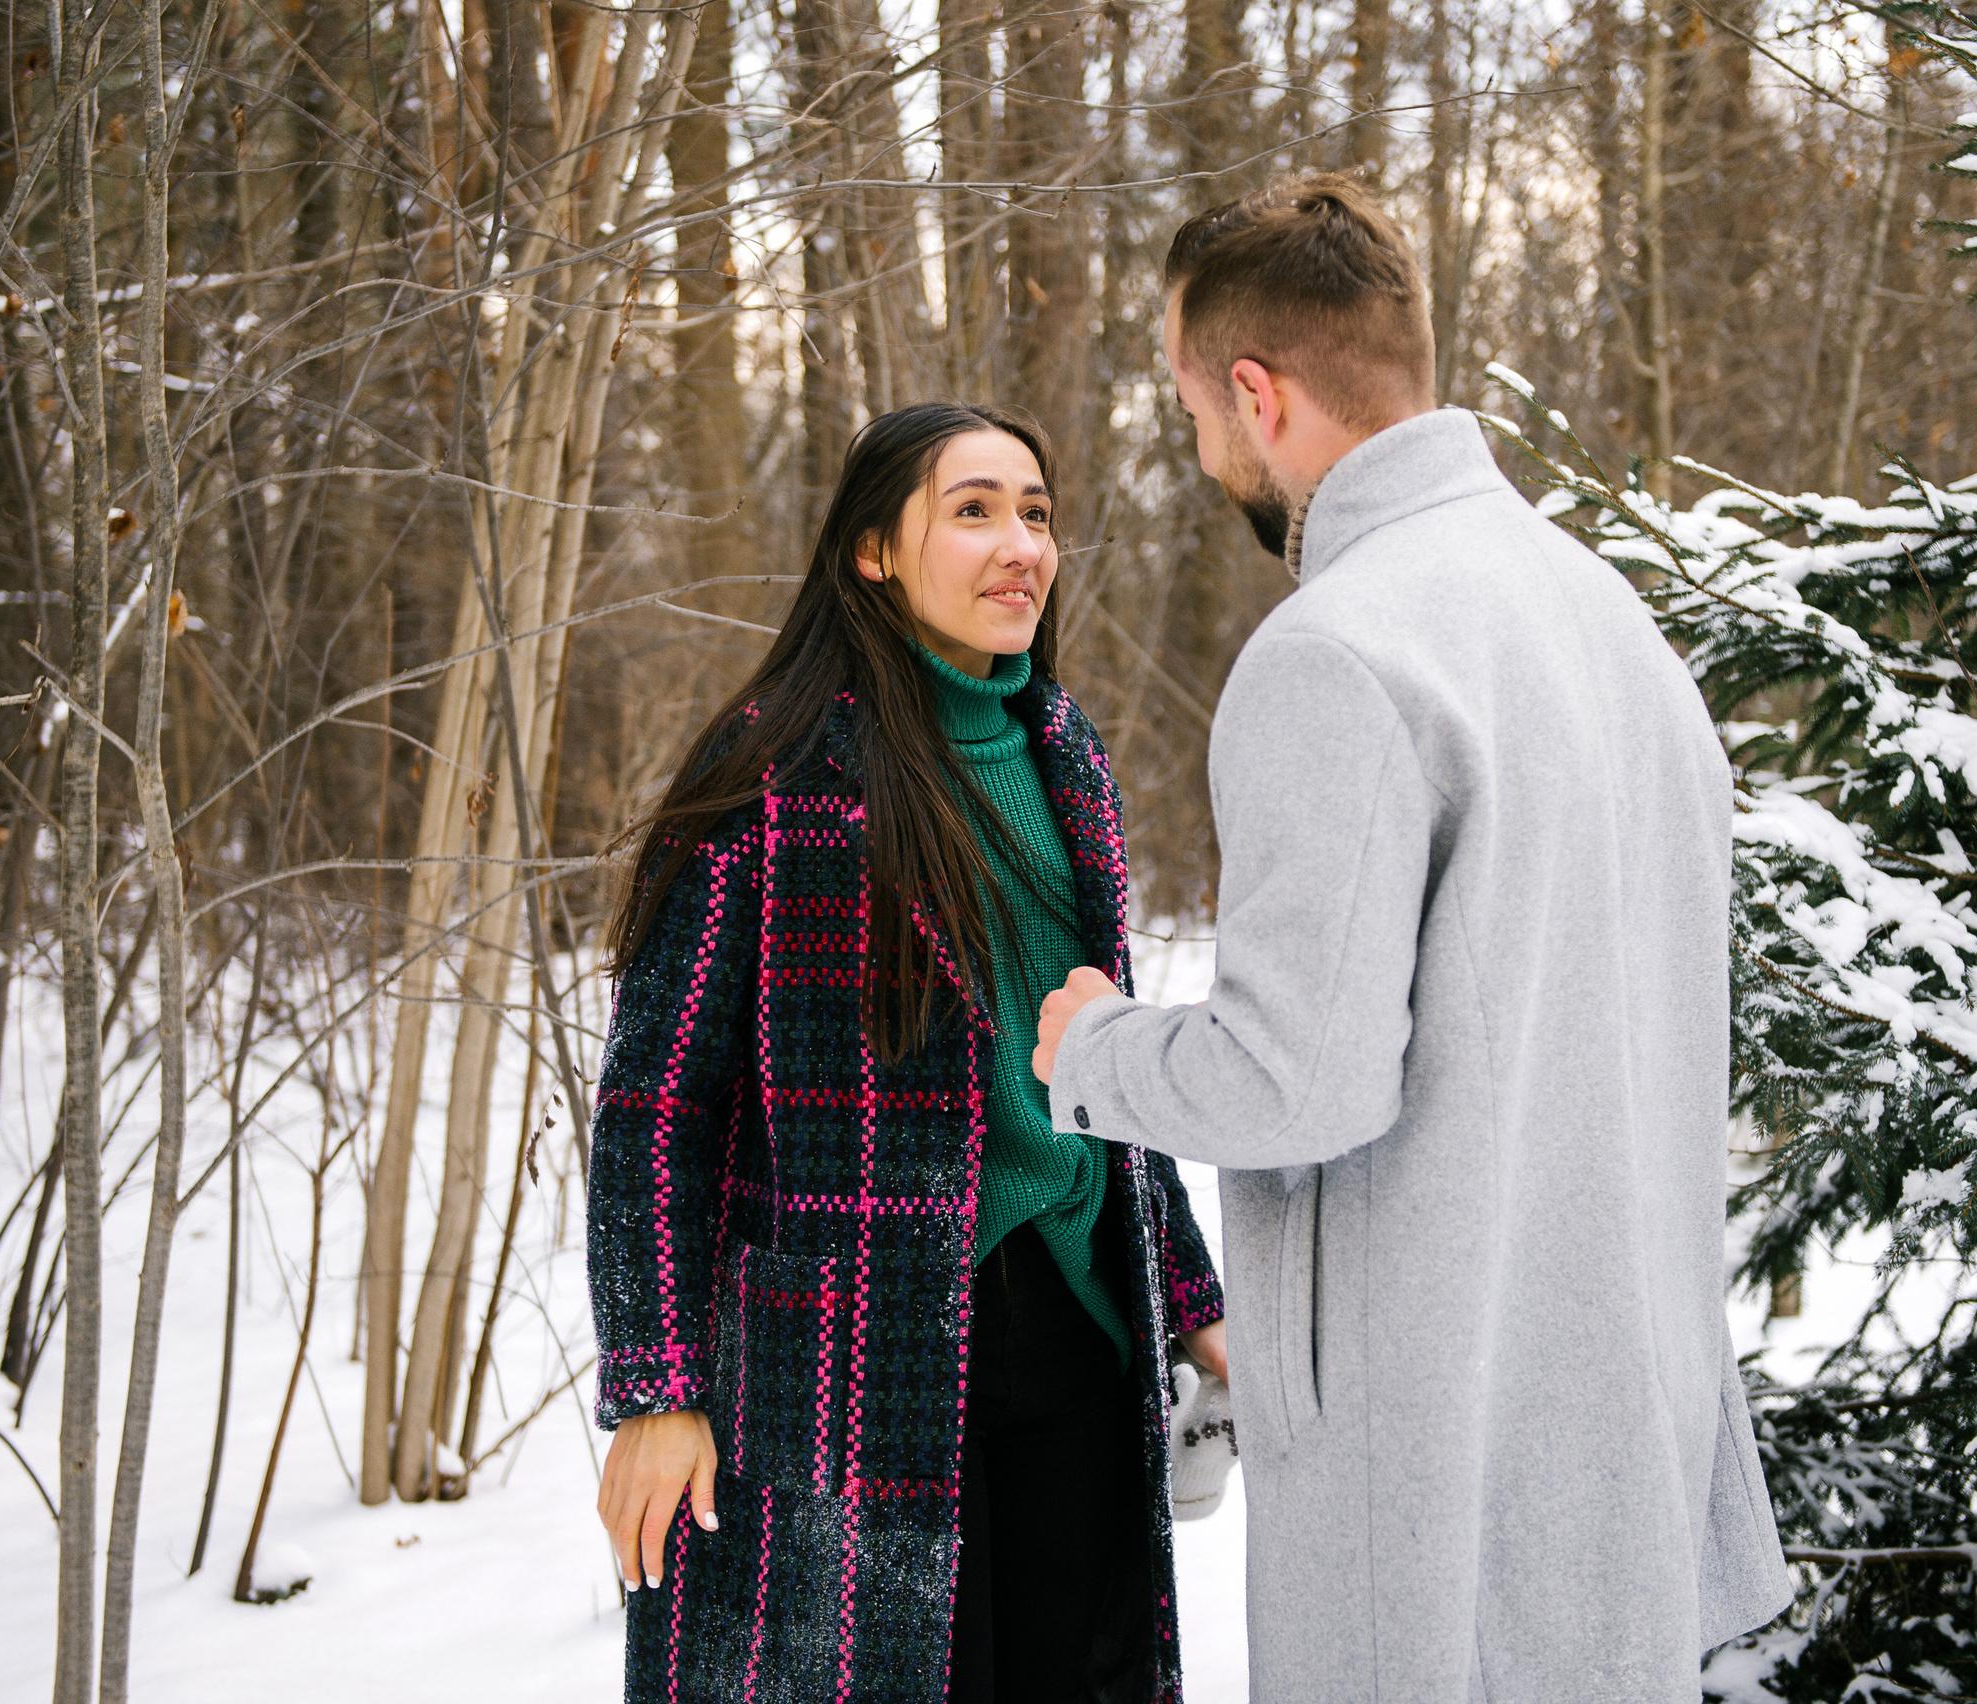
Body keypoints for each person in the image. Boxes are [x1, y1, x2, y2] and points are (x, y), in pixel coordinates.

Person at [1032, 175, 1792, 1700]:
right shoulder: (1608, 622)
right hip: (1612, 1447)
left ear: (1259, 394)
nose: (1199, 453)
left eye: (1191, 408)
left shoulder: (1336, 651)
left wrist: (1094, 1052)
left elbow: (1298, 1080)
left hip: (1436, 1483)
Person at [589, 401, 1228, 1704]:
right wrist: (657, 1388)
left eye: (1037, 513)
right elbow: (659, 1101)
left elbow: (1091, 1052)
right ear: (874, 551)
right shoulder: (776, 767)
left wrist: (1189, 1290)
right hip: (853, 1360)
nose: (1020, 546)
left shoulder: (1066, 754)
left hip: (1076, 1326)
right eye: (975, 509)